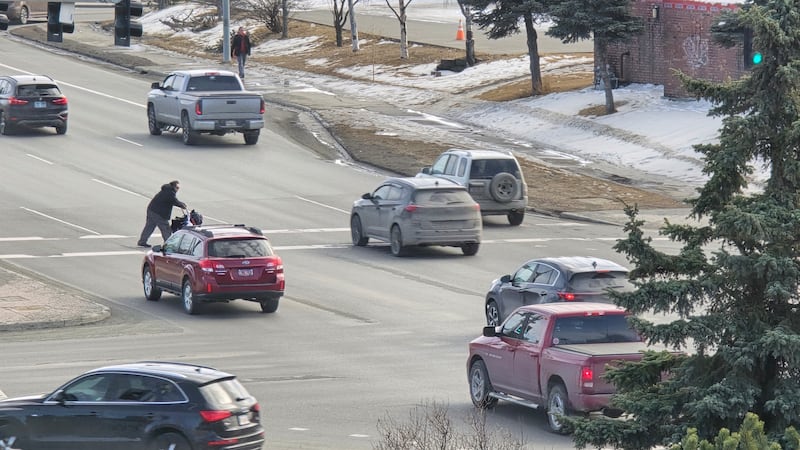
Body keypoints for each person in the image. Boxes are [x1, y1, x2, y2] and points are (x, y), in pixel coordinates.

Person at [137, 180, 187, 248]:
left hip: (152, 210)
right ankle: (168, 245)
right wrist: (182, 205)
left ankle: (142, 241)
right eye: (177, 187)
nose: (178, 189)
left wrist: (181, 204)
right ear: (173, 186)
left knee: (149, 227)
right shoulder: (169, 193)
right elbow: (174, 201)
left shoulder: (166, 190)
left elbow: (173, 200)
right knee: (166, 229)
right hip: (159, 213)